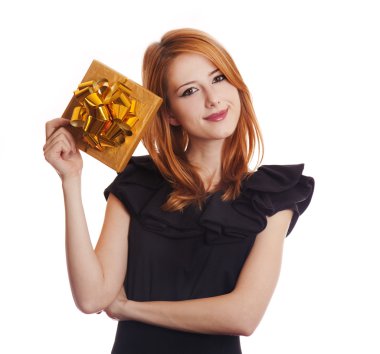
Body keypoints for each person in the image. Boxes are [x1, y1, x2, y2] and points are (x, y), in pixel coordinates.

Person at [44, 28, 314, 354]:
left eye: (218, 79)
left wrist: (130, 309)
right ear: (170, 113)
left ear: (236, 84)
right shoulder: (137, 183)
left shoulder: (269, 195)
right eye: (189, 91)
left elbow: (243, 315)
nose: (213, 99)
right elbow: (92, 298)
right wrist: (71, 181)